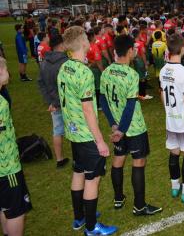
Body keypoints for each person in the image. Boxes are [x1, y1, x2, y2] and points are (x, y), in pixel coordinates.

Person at [57, 26, 117, 235]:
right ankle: (91, 228)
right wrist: (99, 140)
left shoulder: (64, 67)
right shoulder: (84, 72)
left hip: (72, 132)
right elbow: (88, 110)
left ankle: (80, 217)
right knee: (93, 179)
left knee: (78, 172)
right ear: (83, 43)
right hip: (85, 134)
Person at [99, 35, 162, 216]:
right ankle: (140, 206)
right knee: (138, 161)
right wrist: (121, 130)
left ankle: (118, 198)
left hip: (117, 126)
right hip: (132, 127)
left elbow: (102, 99)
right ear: (129, 51)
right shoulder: (132, 75)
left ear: (114, 52)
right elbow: (130, 105)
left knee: (118, 159)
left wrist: (113, 124)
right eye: (133, 49)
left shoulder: (107, 72)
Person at [159, 34, 184, 203]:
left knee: (173, 152)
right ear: (182, 49)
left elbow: (162, 93)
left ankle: (175, 186)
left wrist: (167, 110)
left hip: (170, 119)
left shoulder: (163, 70)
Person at [0, 57, 32, 236]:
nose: (8, 74)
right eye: (5, 70)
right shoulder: (1, 103)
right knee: (15, 211)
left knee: (4, 207)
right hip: (7, 168)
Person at [38, 34, 70, 168]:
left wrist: (50, 101)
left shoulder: (44, 61)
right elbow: (68, 86)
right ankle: (76, 158)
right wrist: (54, 102)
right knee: (74, 129)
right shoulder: (65, 62)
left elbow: (41, 83)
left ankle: (59, 159)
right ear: (61, 44)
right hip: (66, 103)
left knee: (57, 130)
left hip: (54, 103)